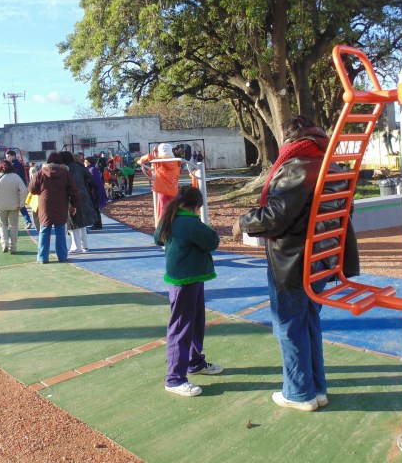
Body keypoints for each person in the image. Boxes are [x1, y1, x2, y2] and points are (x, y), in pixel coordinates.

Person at [235, 114, 360, 412]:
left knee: (289, 325)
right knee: (309, 321)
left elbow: (276, 216)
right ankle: (317, 389)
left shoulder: (297, 166)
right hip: (323, 258)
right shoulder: (332, 165)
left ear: (289, 138)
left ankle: (299, 393)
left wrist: (243, 222)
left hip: (294, 261)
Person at [154, 186, 222, 397]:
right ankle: (174, 378)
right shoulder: (191, 223)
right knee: (181, 326)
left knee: (194, 321)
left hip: (185, 278)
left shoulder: (169, 217)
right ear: (196, 206)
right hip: (186, 280)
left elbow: (158, 238)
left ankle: (194, 361)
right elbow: (212, 242)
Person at [28, 152, 79, 263]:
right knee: (60, 230)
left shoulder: (41, 172)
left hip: (45, 205)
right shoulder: (65, 173)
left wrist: (40, 191)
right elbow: (73, 190)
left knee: (44, 230)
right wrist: (74, 204)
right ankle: (62, 256)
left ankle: (42, 257)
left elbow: (32, 189)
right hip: (61, 204)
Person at [0, 160, 28, 254]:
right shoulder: (16, 177)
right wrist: (21, 204)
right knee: (14, 226)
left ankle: (4, 243)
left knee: (2, 225)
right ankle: (13, 247)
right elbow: (24, 190)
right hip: (14, 205)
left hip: (0, 205)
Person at [60, 151, 97, 253]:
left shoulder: (65, 169)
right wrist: (84, 186)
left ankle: (76, 246)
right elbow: (90, 178)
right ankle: (84, 246)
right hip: (83, 195)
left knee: (73, 223)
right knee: (82, 223)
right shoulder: (79, 167)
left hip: (71, 197)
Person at [139, 143, 180, 221]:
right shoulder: (175, 161)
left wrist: (140, 160)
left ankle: (162, 225)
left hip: (162, 189)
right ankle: (174, 223)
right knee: (173, 209)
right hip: (173, 189)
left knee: (163, 209)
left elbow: (148, 157)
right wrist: (155, 152)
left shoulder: (159, 161)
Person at [5, 149, 34, 229]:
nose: (7, 158)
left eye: (9, 156)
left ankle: (25, 221)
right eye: (6, 156)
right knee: (20, 205)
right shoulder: (18, 164)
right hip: (19, 186)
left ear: (13, 156)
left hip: (14, 187)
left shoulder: (13, 165)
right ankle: (27, 221)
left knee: (14, 205)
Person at [85, 156, 108, 230]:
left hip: (95, 191)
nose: (84, 163)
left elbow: (93, 181)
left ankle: (96, 224)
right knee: (96, 208)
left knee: (95, 208)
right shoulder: (92, 169)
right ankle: (97, 224)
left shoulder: (91, 170)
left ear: (89, 162)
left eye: (85, 162)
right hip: (96, 190)